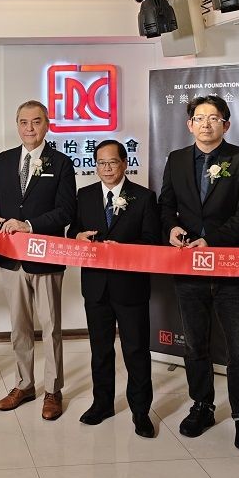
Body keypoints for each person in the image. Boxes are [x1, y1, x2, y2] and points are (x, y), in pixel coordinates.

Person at [158, 94, 239, 452]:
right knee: (194, 344)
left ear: (226, 124)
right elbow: (166, 204)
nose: (206, 124)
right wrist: (171, 228)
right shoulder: (176, 159)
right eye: (199, 118)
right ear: (189, 125)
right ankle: (202, 405)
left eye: (214, 118)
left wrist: (212, 240)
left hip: (231, 266)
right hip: (189, 267)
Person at [0, 100, 76, 420]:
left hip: (46, 256)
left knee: (51, 328)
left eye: (36, 122)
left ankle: (53, 389)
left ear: (47, 124)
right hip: (11, 258)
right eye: (23, 122)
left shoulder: (61, 163)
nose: (29, 128)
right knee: (19, 327)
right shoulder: (4, 159)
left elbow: (66, 211)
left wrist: (29, 225)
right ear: (17, 125)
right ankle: (24, 385)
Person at [69, 139, 160, 436]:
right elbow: (74, 231)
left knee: (136, 351)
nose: (107, 168)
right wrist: (78, 237)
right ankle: (102, 404)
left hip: (130, 287)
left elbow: (153, 241)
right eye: (101, 163)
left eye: (112, 162)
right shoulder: (85, 195)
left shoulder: (144, 197)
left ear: (124, 163)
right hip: (95, 286)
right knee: (100, 350)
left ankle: (140, 412)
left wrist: (123, 250)